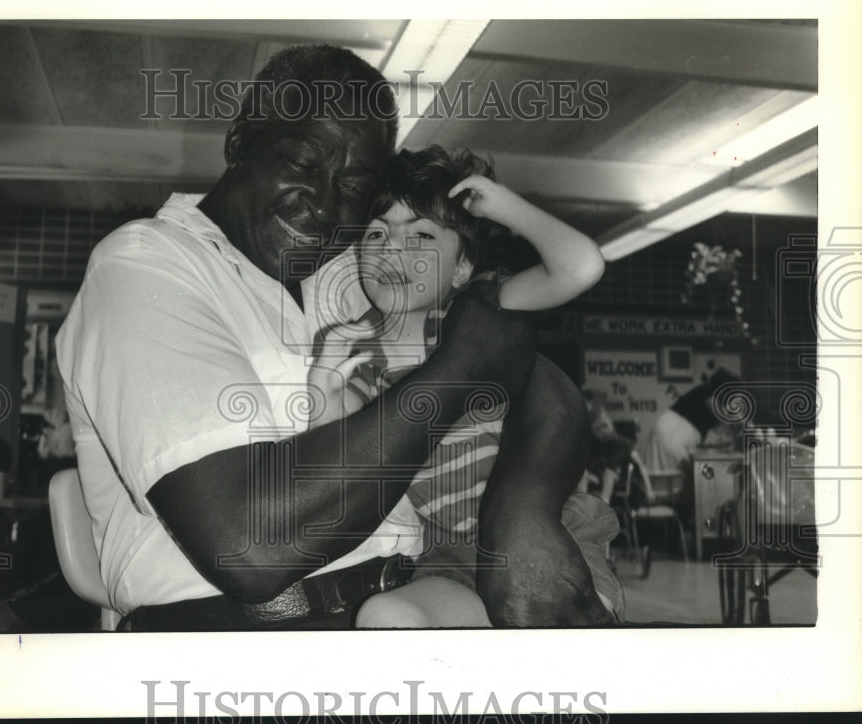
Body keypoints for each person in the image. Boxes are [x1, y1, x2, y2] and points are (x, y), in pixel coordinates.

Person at [55, 44, 614, 630]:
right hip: (249, 643)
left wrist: (521, 519)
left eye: (353, 188)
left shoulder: (352, 277)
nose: (325, 206)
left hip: (424, 596)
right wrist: (460, 369)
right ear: (242, 142)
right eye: (303, 164)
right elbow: (248, 547)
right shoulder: (149, 264)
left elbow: (537, 375)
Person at [305, 145, 621, 626]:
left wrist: (504, 207)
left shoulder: (478, 320)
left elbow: (581, 267)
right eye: (377, 233)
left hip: (545, 535)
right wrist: (323, 388)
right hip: (452, 557)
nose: (393, 248)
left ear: (461, 267)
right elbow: (335, 463)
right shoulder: (357, 359)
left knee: (553, 634)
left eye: (422, 235)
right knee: (384, 617)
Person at [641, 367, 741, 518]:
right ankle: (678, 523)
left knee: (669, 483)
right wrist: (741, 420)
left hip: (669, 431)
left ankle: (672, 522)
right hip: (673, 433)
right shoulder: (707, 392)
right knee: (677, 485)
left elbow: (721, 428)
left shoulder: (707, 395)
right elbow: (722, 418)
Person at [577, 392, 635, 504]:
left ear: (610, 422)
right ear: (593, 433)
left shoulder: (625, 444)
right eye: (598, 430)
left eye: (605, 426)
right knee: (582, 473)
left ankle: (604, 502)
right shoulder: (591, 446)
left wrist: (649, 488)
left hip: (617, 479)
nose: (603, 432)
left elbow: (638, 464)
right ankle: (581, 505)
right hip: (597, 478)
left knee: (609, 473)